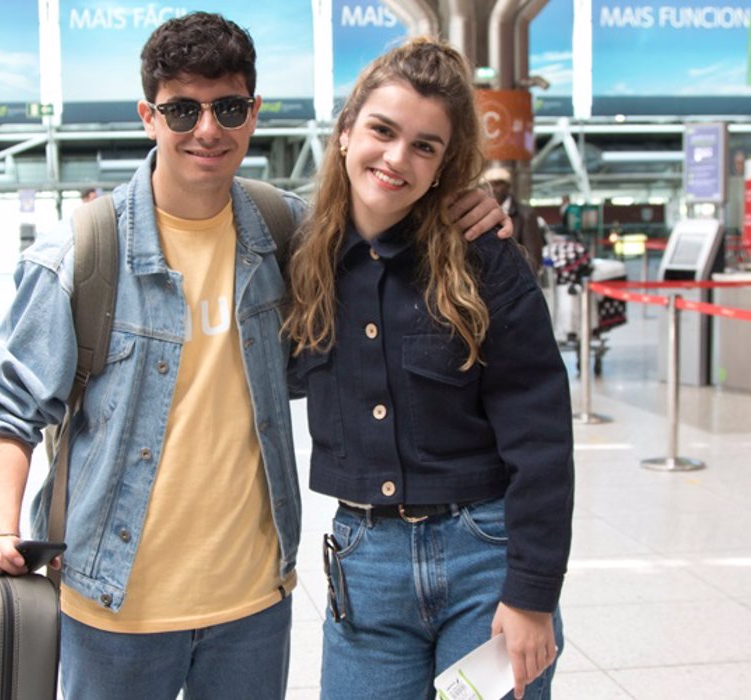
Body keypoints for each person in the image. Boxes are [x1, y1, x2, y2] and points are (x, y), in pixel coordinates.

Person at [0, 13, 511, 700]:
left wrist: (469, 201)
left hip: (252, 603)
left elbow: (388, 207)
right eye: (183, 109)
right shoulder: (83, 253)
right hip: (115, 602)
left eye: (227, 107)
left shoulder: (291, 232)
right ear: (148, 116)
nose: (208, 129)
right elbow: (5, 405)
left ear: (252, 112)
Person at [284, 39, 574, 700]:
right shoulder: (302, 257)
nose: (396, 159)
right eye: (383, 131)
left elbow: (542, 433)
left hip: (487, 562)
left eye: (425, 146)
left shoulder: (482, 258)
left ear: (445, 166)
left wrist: (531, 597)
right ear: (344, 134)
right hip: (368, 567)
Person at [485, 166, 544, 275]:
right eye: (489, 184)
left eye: (498, 184)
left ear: (508, 186)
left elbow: (534, 258)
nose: (493, 189)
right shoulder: (483, 212)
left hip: (515, 282)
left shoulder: (526, 214)